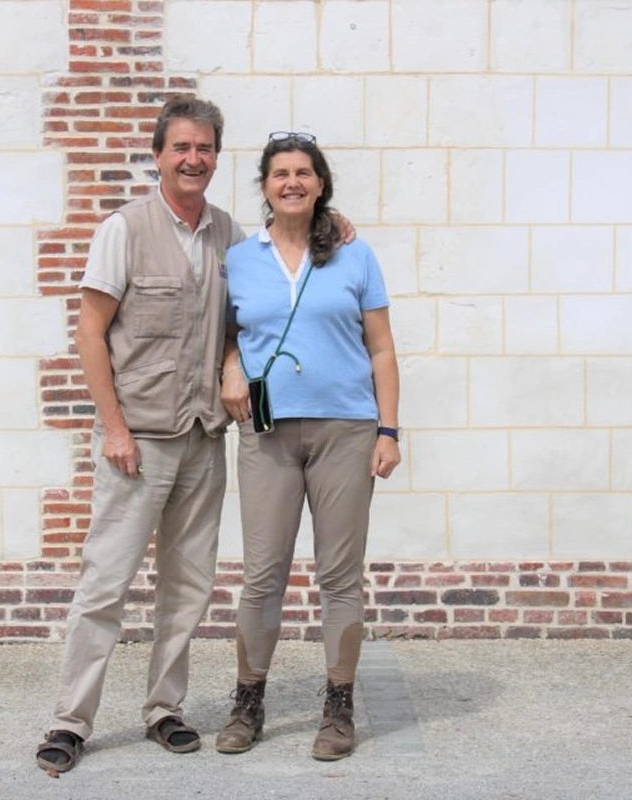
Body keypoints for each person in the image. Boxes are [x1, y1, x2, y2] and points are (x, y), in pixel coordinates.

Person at [34, 94, 246, 773]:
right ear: (159, 156)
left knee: (188, 586)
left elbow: (245, 322)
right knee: (106, 583)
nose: (194, 158)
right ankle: (71, 721)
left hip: (203, 438)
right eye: (181, 147)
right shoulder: (124, 228)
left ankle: (164, 709)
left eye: (205, 148)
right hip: (141, 441)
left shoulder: (230, 236)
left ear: (216, 157)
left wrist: (233, 367)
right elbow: (90, 331)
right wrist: (113, 427)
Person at [214, 132, 401, 762]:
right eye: (279, 173)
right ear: (264, 186)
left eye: (303, 172)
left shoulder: (354, 254)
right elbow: (226, 329)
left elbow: (381, 347)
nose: (291, 182)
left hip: (346, 430)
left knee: (339, 576)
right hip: (267, 432)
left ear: (321, 183)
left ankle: (339, 705)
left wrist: (389, 430)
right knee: (262, 575)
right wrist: (232, 364)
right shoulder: (240, 258)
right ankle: (249, 699)